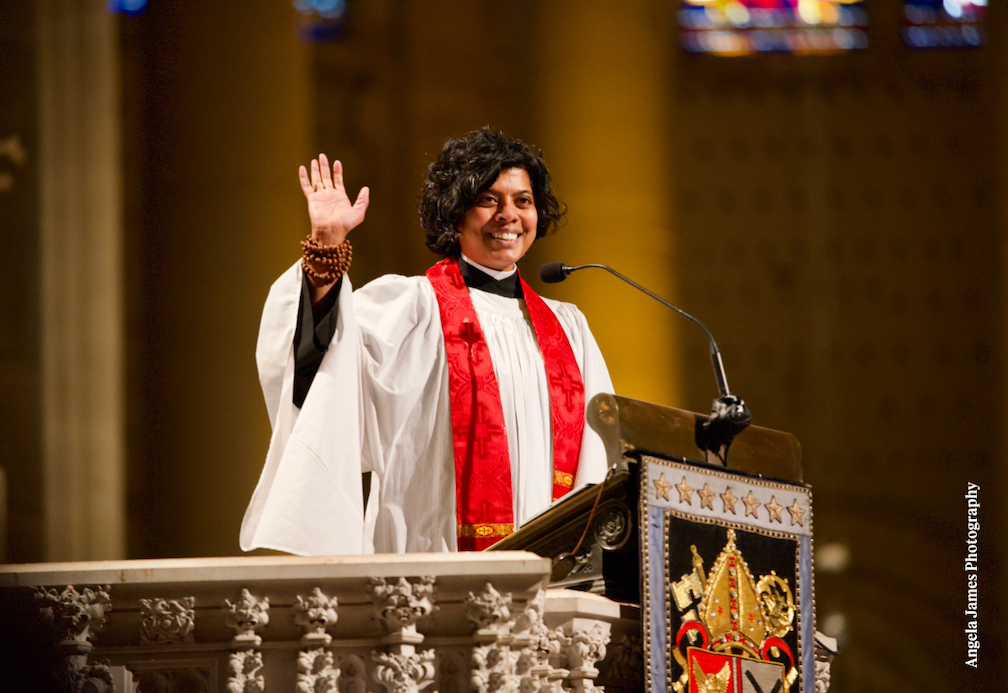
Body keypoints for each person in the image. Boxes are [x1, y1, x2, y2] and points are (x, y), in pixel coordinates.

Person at [240, 128, 614, 555]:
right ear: (456, 213)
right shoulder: (412, 308)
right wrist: (327, 249)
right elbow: (327, 371)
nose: (508, 215)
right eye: (489, 199)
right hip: (431, 570)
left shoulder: (568, 329)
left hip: (553, 580)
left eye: (522, 201)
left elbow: (599, 459)